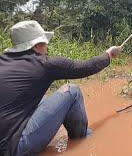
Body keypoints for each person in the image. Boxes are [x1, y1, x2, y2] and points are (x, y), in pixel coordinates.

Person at [0, 20, 122, 156]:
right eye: (45, 43)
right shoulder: (44, 64)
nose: (47, 48)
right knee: (72, 91)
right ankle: (83, 140)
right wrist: (109, 54)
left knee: (43, 100)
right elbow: (86, 67)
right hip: (14, 148)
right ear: (37, 45)